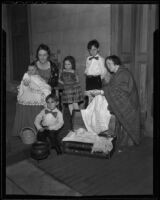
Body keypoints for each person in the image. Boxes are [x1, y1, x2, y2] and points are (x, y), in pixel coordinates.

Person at [103, 55, 141, 148]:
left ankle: (128, 142)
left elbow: (119, 90)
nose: (108, 66)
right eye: (106, 64)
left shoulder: (123, 73)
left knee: (126, 120)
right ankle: (122, 140)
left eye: (109, 63)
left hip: (129, 103)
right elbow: (112, 87)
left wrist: (103, 91)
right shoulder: (117, 73)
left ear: (116, 63)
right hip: (124, 102)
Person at [13, 63, 52, 137]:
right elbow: (25, 82)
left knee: (38, 110)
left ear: (36, 70)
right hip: (27, 96)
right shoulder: (26, 76)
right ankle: (28, 129)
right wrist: (25, 83)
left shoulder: (37, 77)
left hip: (35, 95)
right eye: (29, 70)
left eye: (32, 70)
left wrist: (44, 89)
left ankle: (38, 128)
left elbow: (42, 84)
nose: (30, 71)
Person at [84, 39, 109, 105]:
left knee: (96, 97)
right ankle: (89, 112)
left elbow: (104, 71)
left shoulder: (101, 59)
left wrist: (98, 79)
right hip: (89, 79)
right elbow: (87, 68)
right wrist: (87, 73)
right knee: (89, 96)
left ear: (98, 49)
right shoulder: (88, 58)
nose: (92, 51)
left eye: (94, 49)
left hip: (96, 80)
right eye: (90, 49)